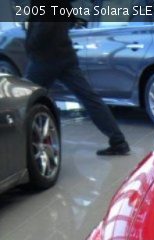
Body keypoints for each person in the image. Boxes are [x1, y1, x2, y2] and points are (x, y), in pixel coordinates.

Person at [25, 0, 130, 156]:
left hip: (44, 59)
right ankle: (118, 141)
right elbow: (70, 19)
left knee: (26, 100)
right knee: (90, 98)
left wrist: (30, 44)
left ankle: (25, 147)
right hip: (65, 56)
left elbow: (44, 27)